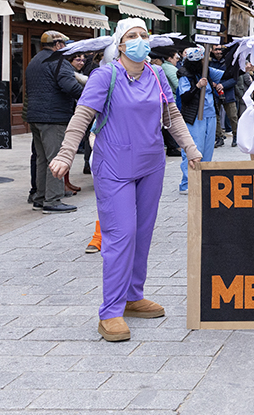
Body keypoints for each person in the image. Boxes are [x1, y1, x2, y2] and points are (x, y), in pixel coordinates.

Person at [50, 18, 200, 341]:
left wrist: (190, 148)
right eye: (132, 35)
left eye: (144, 35)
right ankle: (110, 312)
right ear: (119, 44)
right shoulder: (105, 76)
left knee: (142, 234)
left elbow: (172, 115)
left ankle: (133, 296)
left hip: (151, 165)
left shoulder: (156, 74)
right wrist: (65, 154)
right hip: (114, 166)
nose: (140, 40)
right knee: (121, 235)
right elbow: (82, 116)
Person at [24, 30, 83, 214]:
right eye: (64, 44)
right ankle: (53, 200)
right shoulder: (59, 61)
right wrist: (90, 95)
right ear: (58, 45)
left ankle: (40, 198)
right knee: (56, 158)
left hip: (35, 117)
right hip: (54, 118)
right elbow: (70, 86)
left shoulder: (34, 61)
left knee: (42, 159)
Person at [177, 47, 224, 194]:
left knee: (208, 149)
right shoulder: (184, 74)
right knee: (195, 148)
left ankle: (203, 179)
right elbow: (185, 97)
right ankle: (187, 182)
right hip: (195, 116)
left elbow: (226, 74)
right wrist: (197, 86)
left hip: (210, 115)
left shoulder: (207, 71)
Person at [69, 53, 92, 176]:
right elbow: (75, 90)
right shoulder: (69, 73)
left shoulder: (79, 73)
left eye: (83, 60)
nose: (81, 63)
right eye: (78, 60)